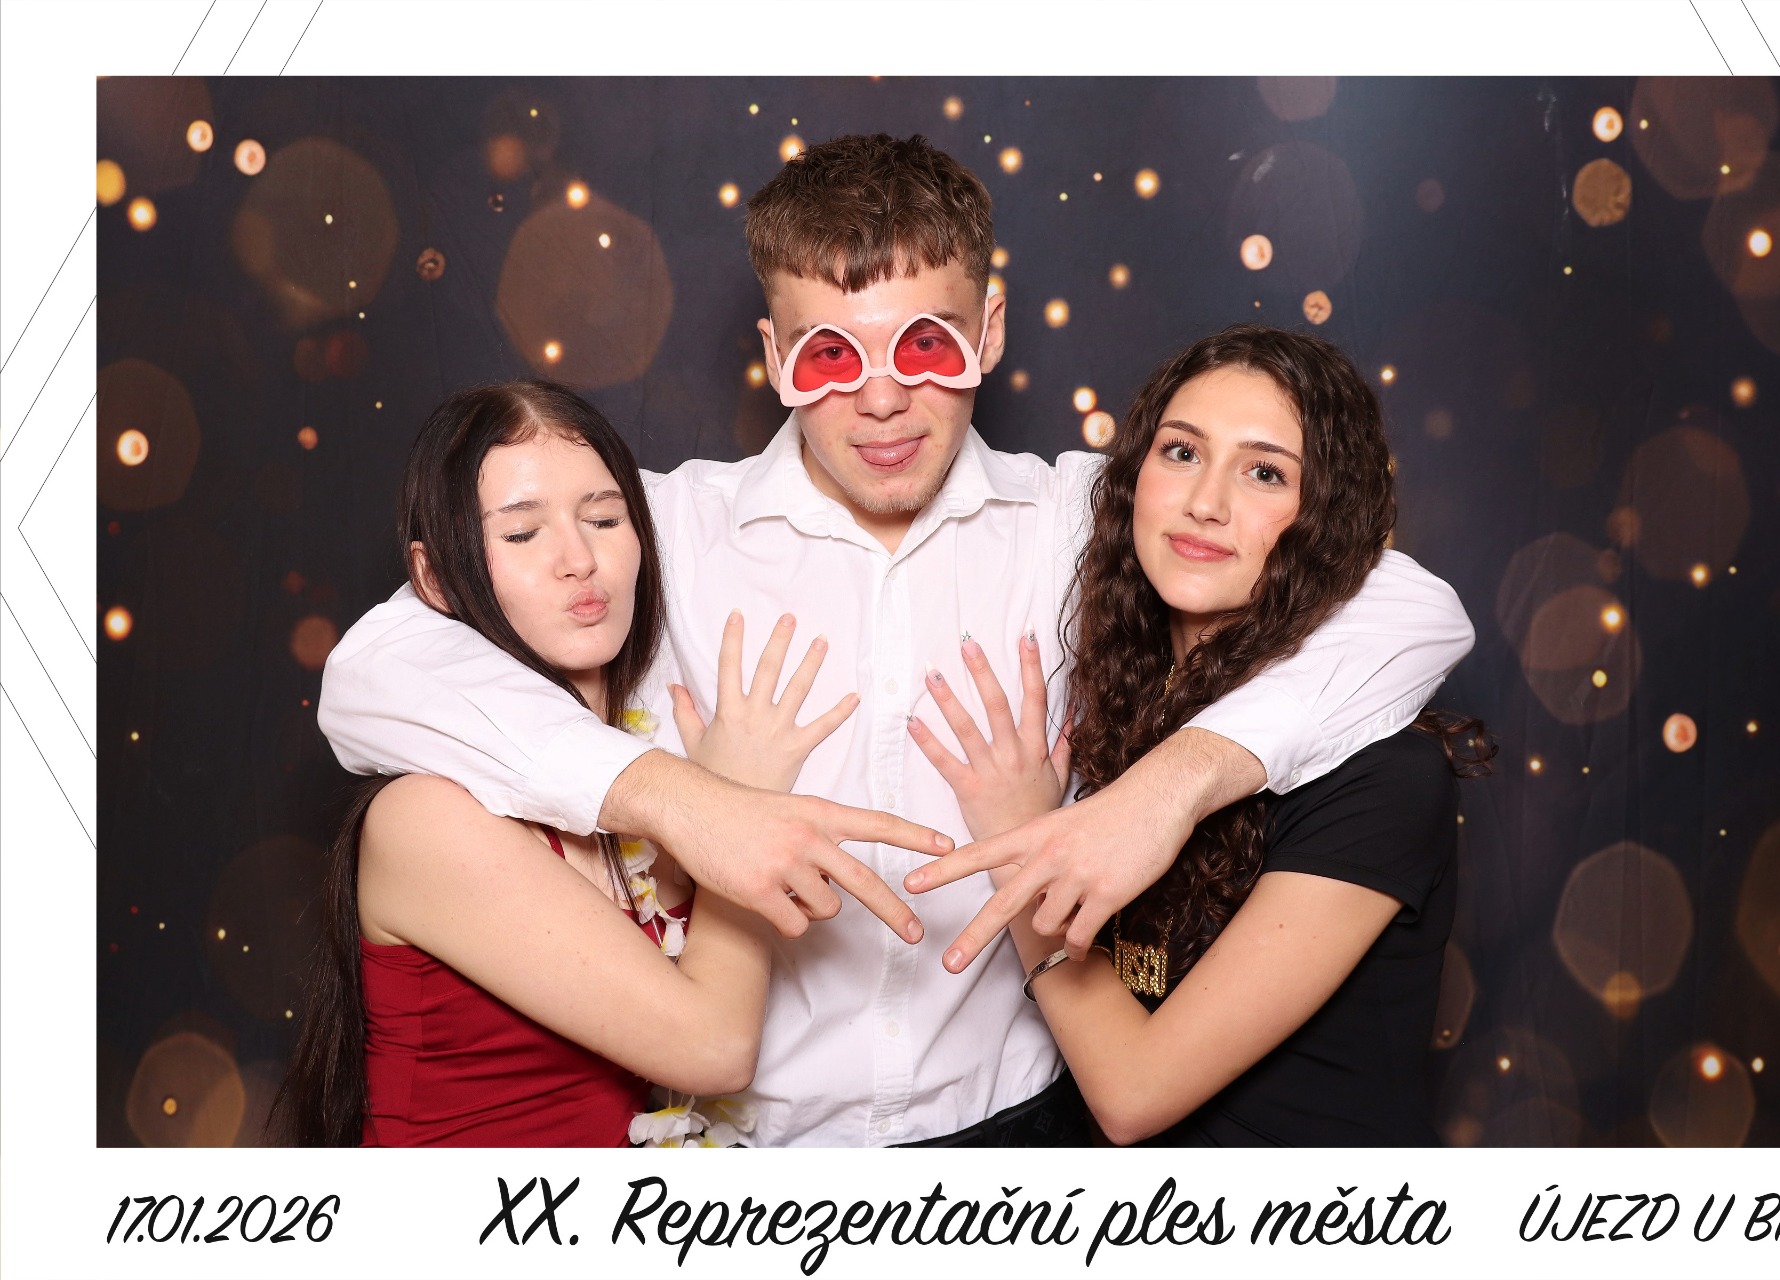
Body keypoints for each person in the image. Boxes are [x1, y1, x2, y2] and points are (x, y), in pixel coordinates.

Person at [317, 135, 1475, 1146]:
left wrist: (1168, 789)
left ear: (991, 330)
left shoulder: (1084, 520)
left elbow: (1410, 609)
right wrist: (681, 800)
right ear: (774, 355)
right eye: (830, 354)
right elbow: (374, 673)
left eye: (924, 346)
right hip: (746, 1153)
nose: (880, 401)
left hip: (1020, 1137)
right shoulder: (663, 530)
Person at [910, 325, 1491, 1145]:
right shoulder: (1123, 708)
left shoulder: (1386, 777)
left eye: (1264, 472)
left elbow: (1134, 1094)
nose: (1206, 502)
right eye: (1181, 452)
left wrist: (1019, 842)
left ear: (1324, 520)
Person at [279, 381, 899, 1145]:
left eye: (604, 520)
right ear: (434, 578)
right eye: (521, 534)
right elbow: (713, 1046)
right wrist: (732, 802)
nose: (578, 560)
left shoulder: (635, 785)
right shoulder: (426, 816)